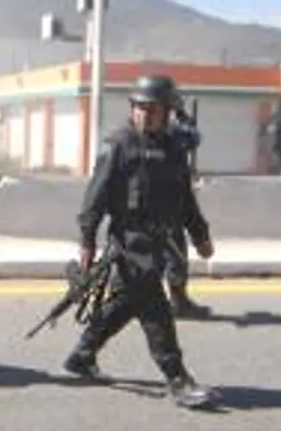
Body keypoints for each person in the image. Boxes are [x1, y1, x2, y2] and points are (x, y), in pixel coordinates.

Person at [64, 73, 216, 409]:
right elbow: (95, 198)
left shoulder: (174, 148)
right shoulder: (118, 145)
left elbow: (185, 197)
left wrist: (200, 234)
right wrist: (87, 241)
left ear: (167, 111)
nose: (145, 114)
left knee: (126, 301)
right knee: (154, 307)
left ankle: (83, 353)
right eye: (140, 107)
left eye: (153, 108)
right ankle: (177, 378)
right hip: (130, 239)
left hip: (162, 239)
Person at [163, 99, 212, 319]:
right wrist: (182, 114)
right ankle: (177, 302)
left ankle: (178, 300)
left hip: (170, 197)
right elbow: (192, 137)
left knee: (174, 256)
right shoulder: (172, 132)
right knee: (174, 256)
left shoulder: (155, 129)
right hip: (166, 200)